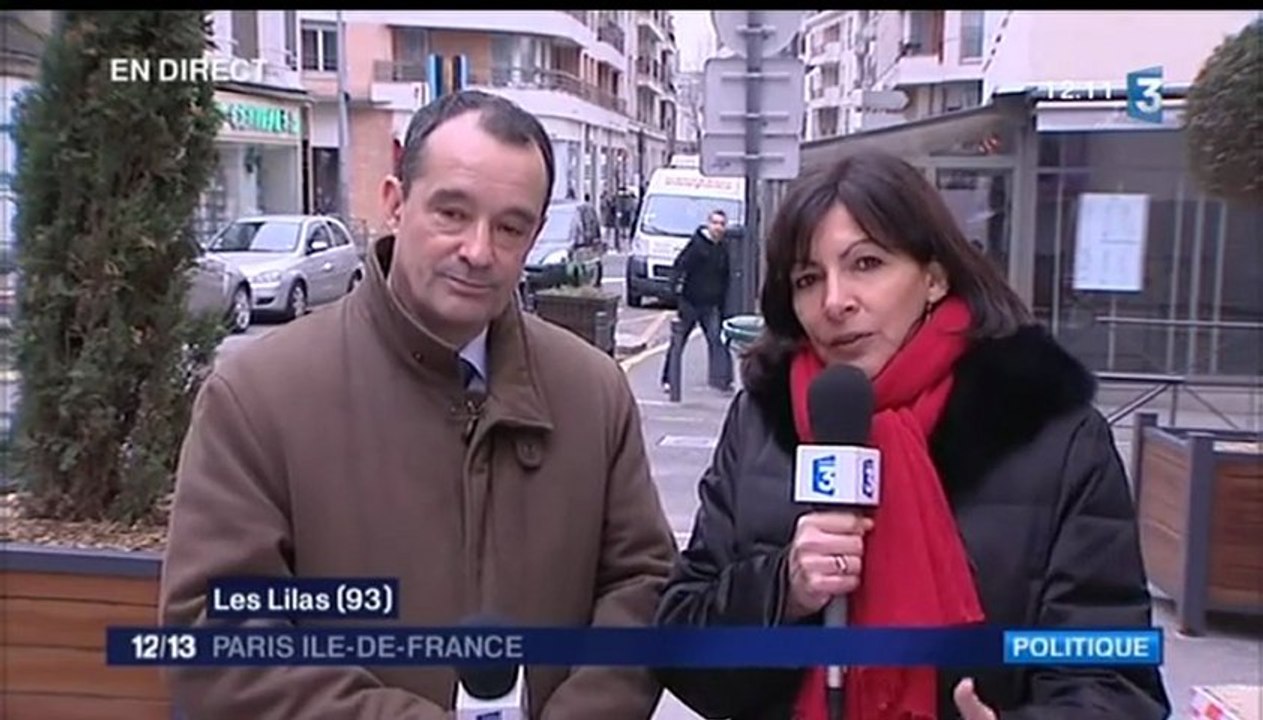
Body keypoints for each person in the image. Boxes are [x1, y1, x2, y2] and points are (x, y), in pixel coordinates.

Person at [160, 90, 677, 719]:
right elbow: (222, 639)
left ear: (534, 237)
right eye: (452, 213)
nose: (478, 250)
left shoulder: (591, 392)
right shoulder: (259, 397)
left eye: (509, 227)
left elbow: (642, 587)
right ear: (395, 204)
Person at [653, 151, 1170, 720]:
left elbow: (1114, 679)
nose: (834, 301)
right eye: (808, 278)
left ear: (933, 277)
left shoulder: (1051, 433)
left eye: (867, 264)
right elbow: (682, 649)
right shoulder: (762, 422)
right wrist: (785, 588)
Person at [660, 209, 734, 395]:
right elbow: (680, 266)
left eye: (721, 224)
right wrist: (674, 293)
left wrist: (724, 305)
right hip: (690, 302)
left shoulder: (724, 249)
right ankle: (668, 379)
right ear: (708, 224)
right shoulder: (697, 246)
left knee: (717, 341)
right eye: (715, 223)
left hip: (711, 304)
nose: (718, 227)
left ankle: (722, 381)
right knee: (678, 342)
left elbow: (726, 278)